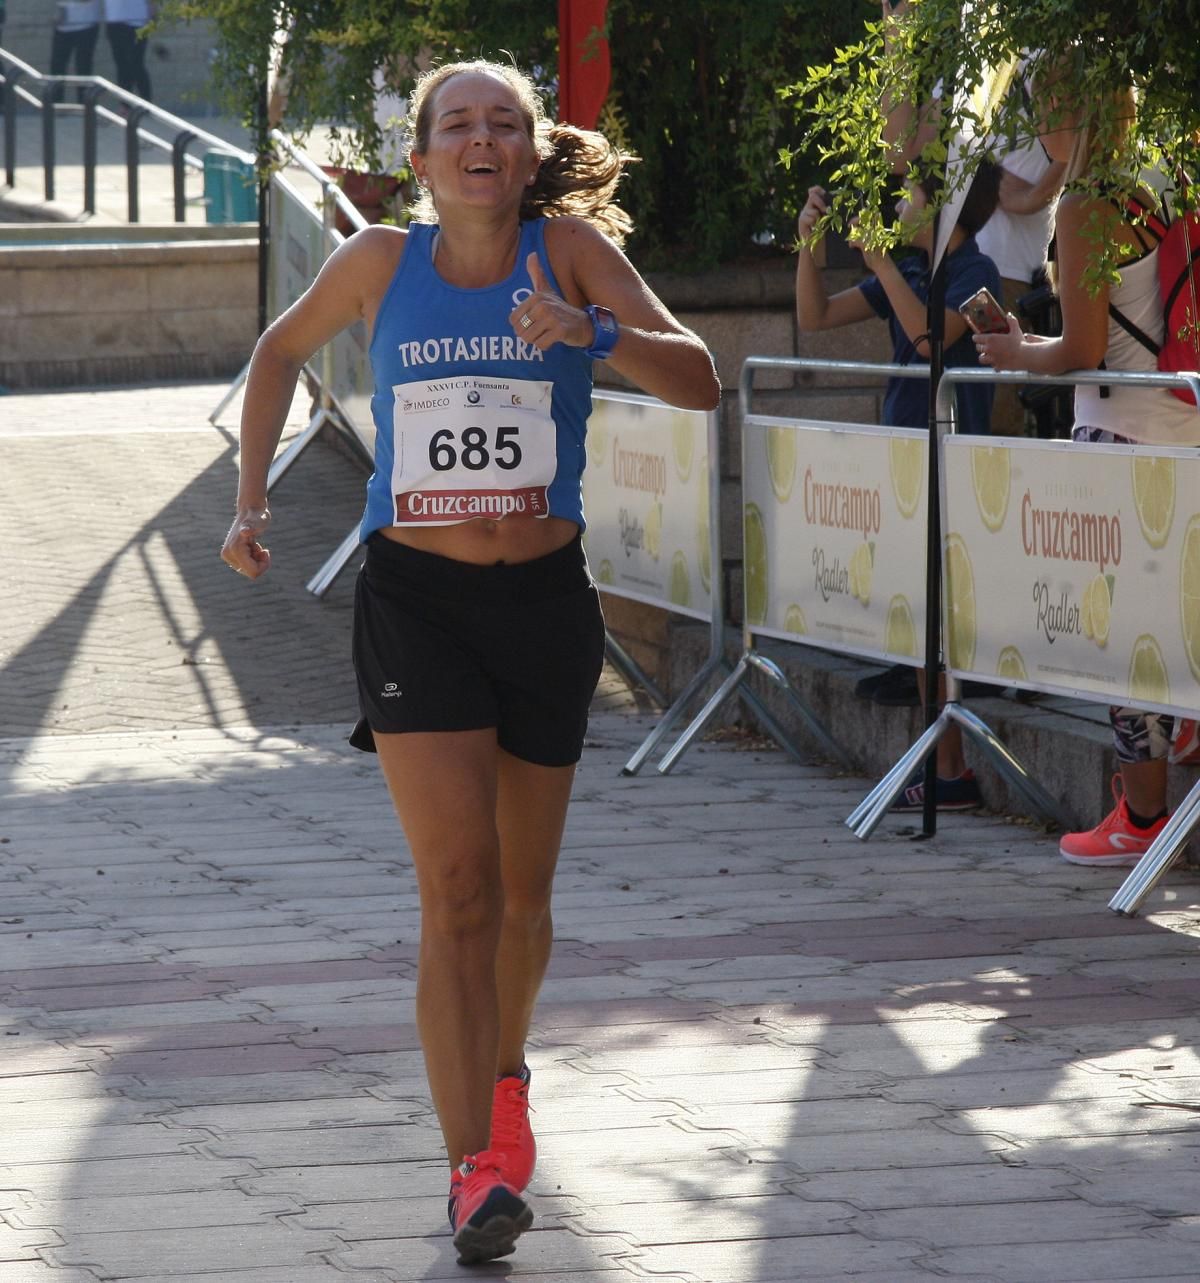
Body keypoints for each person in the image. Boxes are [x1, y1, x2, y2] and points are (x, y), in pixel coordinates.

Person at [221, 59, 719, 1264]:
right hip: (418, 603)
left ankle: (504, 1082)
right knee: (457, 892)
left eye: (505, 122)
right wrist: (248, 503)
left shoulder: (569, 251)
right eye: (458, 124)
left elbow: (702, 379)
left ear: (532, 150)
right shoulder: (379, 262)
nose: (481, 138)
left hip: (546, 603)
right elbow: (278, 352)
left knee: (525, 903)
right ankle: (471, 1173)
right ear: (426, 158)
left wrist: (589, 330)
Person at [975, 79, 1200, 867]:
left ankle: (1141, 819)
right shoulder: (1167, 177)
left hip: (1121, 437)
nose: (1038, 125)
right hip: (1184, 424)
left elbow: (1077, 350)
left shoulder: (1087, 203)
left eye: (1047, 104)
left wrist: (1011, 350)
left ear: (1087, 107)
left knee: (1126, 637)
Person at [796, 160, 1002, 809]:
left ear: (947, 208)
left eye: (914, 193)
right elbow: (817, 314)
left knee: (941, 613)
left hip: (950, 457)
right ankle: (945, 767)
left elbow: (930, 339)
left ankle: (955, 763)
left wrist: (882, 262)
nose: (900, 202)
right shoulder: (909, 270)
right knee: (918, 615)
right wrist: (807, 243)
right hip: (906, 460)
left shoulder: (978, 273)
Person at [50, 2, 102, 104]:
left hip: (86, 24)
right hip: (63, 26)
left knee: (83, 66)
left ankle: (84, 104)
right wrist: (60, 13)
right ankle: (56, 103)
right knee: (57, 65)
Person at [102, 0, 153, 101]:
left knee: (136, 64)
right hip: (114, 21)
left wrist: (152, 15)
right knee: (122, 66)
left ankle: (146, 102)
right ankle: (125, 105)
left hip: (136, 22)